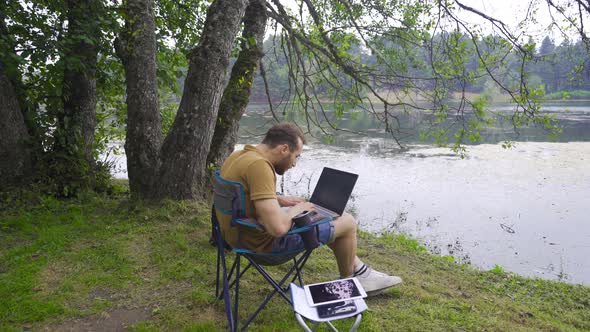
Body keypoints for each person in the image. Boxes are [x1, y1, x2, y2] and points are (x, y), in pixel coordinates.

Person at [216, 122, 402, 294]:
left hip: (237, 236)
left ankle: (361, 271)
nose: (294, 164)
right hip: (263, 247)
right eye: (296, 156)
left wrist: (278, 199)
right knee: (348, 222)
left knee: (323, 218)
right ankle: (349, 285)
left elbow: (242, 197)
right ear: (284, 149)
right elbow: (278, 229)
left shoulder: (239, 156)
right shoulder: (260, 166)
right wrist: (297, 210)